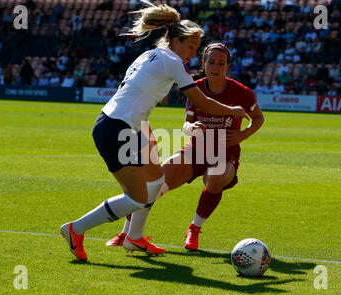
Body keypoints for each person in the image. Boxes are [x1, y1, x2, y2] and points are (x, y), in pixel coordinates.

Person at [60, 3, 248, 260]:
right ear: (176, 41)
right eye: (192, 47)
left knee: (156, 180)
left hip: (120, 124)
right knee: (137, 197)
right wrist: (233, 111)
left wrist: (146, 136)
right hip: (116, 130)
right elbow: (201, 101)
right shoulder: (172, 61)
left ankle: (134, 239)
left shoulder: (149, 55)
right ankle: (75, 229)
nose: (193, 55)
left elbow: (136, 95)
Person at [106, 42, 264, 251]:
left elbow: (258, 118)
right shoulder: (195, 87)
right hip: (194, 151)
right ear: (204, 63)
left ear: (228, 66)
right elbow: (186, 124)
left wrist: (242, 135)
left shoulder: (241, 92)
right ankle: (127, 232)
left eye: (221, 63)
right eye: (211, 62)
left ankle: (194, 229)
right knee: (154, 185)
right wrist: (191, 128)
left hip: (224, 154)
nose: (215, 67)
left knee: (215, 179)